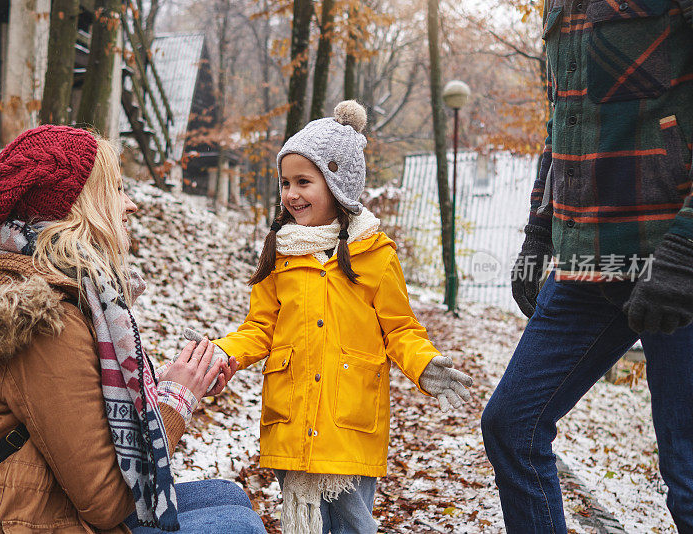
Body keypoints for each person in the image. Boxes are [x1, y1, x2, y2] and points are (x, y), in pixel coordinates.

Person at [0, 125, 264, 534]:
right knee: (235, 524)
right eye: (117, 189)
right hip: (8, 520)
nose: (130, 205)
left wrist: (167, 384)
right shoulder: (42, 322)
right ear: (76, 208)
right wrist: (177, 400)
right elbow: (106, 502)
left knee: (227, 496)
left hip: (30, 503)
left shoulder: (31, 289)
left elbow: (76, 409)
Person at [186, 101, 473, 534]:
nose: (292, 194)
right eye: (285, 183)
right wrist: (220, 353)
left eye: (304, 181)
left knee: (353, 525)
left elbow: (400, 328)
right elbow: (259, 329)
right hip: (292, 419)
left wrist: (424, 363)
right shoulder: (280, 253)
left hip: (349, 422)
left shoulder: (375, 254)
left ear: (339, 184)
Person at [481, 2, 693, 532]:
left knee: (688, 480)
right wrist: (539, 230)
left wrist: (686, 253)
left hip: (677, 265)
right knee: (512, 427)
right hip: (587, 264)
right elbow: (563, 121)